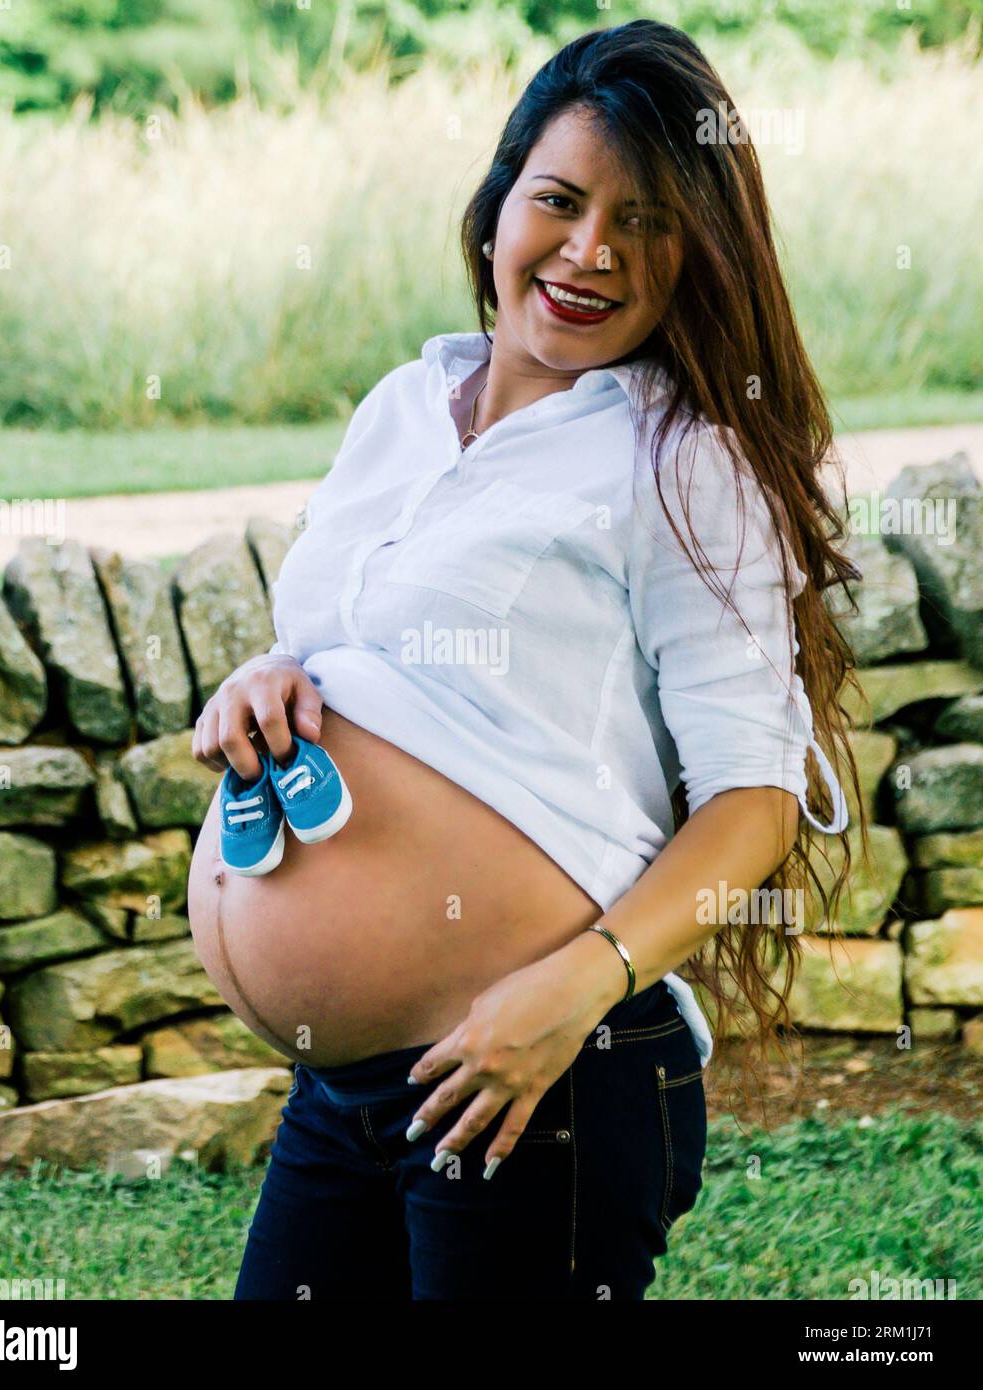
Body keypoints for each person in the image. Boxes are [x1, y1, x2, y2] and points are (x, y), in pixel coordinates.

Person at [187, 17, 865, 1301]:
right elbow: (355, 661)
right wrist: (263, 684)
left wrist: (567, 991)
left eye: (648, 221)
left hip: (541, 1070)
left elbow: (756, 796)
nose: (592, 249)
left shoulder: (682, 459)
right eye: (559, 199)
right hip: (344, 1087)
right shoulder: (399, 405)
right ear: (500, 204)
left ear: (696, 257)